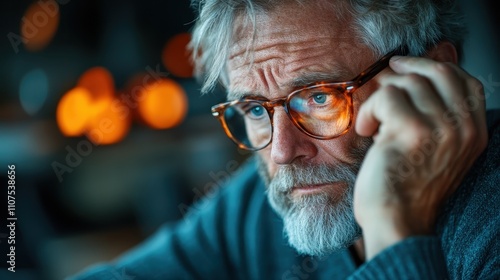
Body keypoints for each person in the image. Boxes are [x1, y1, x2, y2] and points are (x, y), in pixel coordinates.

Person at [71, 0, 499, 279]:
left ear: (434, 74)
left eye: (318, 97)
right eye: (256, 109)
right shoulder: (262, 207)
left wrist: (393, 227)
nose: (283, 151)